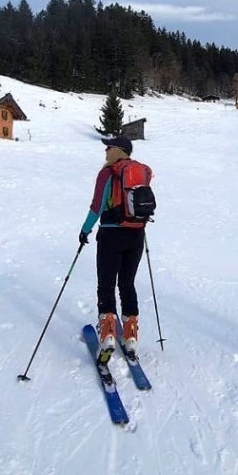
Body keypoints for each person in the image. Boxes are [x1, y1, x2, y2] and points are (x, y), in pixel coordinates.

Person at [79, 135, 146, 362]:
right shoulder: (139, 172)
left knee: (106, 284)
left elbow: (97, 206)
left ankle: (108, 336)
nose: (106, 150)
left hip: (111, 234)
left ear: (118, 150)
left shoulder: (108, 173)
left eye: (109, 147)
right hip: (136, 234)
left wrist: (85, 230)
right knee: (127, 283)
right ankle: (131, 337)